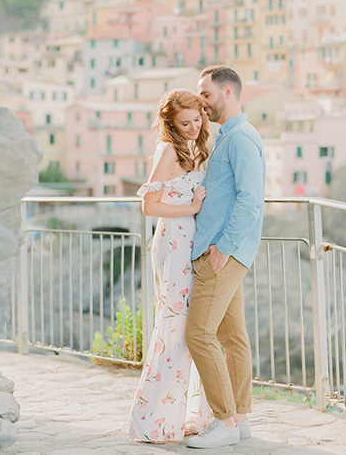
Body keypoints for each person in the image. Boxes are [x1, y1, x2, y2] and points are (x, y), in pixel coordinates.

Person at [184, 65, 266, 449]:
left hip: (222, 253)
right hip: (223, 251)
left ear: (227, 92)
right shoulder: (228, 137)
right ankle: (242, 419)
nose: (202, 102)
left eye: (206, 94)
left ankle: (225, 421)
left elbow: (251, 199)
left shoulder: (240, 139)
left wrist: (224, 248)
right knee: (233, 337)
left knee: (198, 335)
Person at [128, 89, 213, 443]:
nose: (193, 127)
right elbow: (149, 206)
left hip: (188, 241)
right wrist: (191, 208)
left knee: (189, 329)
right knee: (175, 329)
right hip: (173, 242)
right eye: (185, 123)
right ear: (171, 124)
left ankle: (187, 414)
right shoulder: (166, 150)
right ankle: (156, 419)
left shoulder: (194, 147)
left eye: (197, 120)